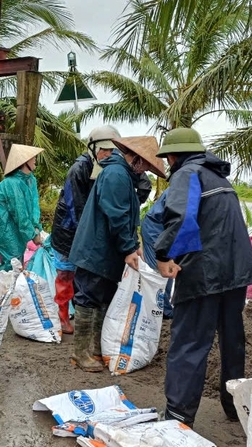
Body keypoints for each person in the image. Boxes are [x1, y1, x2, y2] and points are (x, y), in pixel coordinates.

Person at [153, 127, 252, 428]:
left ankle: (178, 416)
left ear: (174, 156)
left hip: (204, 274)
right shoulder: (219, 177)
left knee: (189, 343)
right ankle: (235, 406)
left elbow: (182, 218)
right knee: (232, 341)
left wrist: (163, 256)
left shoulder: (187, 174)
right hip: (236, 272)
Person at [68, 136, 165, 372]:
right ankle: (80, 353)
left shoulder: (120, 176)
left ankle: (98, 349)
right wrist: (128, 247)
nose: (145, 172)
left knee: (102, 299)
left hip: (104, 251)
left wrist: (133, 245)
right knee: (88, 298)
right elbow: (118, 216)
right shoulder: (116, 176)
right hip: (96, 251)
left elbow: (124, 218)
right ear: (137, 159)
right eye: (146, 166)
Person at [50, 125, 153, 334]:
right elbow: (74, 205)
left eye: (113, 150)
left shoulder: (121, 170)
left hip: (95, 233)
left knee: (88, 285)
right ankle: (63, 317)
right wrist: (91, 233)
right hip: (70, 231)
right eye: (105, 150)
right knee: (67, 275)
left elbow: (139, 190)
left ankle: (83, 327)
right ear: (94, 149)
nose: (109, 154)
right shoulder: (80, 169)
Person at [0, 144, 44, 272]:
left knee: (15, 262)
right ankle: (3, 289)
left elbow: (34, 206)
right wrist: (33, 235)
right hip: (4, 228)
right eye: (33, 158)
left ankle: (8, 288)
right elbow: (20, 213)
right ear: (25, 161)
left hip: (14, 227)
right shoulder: (12, 183)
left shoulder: (30, 180)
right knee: (12, 263)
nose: (35, 160)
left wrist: (36, 227)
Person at [140, 189, 174, 320]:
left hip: (161, 230)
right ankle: (162, 310)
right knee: (159, 271)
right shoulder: (183, 187)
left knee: (167, 271)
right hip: (154, 230)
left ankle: (162, 307)